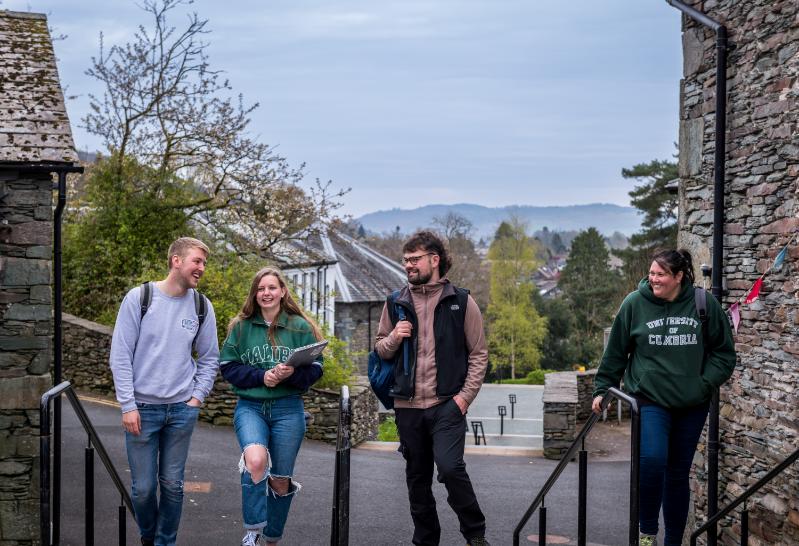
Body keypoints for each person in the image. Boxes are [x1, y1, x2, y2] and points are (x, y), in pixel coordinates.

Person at [591, 249, 736, 546]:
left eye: (660, 275)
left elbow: (724, 353)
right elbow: (616, 352)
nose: (653, 279)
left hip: (691, 404)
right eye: (651, 274)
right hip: (649, 399)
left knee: (677, 473)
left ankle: (673, 541)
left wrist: (704, 383)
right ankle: (647, 533)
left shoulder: (702, 303)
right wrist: (602, 389)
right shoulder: (635, 304)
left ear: (678, 277)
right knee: (653, 459)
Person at [375, 231, 490, 546]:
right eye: (406, 260)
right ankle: (426, 540)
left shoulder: (461, 302)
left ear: (434, 260)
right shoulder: (395, 302)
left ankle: (475, 534)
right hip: (407, 406)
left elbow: (479, 355)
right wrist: (395, 337)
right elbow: (380, 350)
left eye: (415, 259)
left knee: (451, 469)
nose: (409, 265)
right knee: (417, 480)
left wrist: (463, 399)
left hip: (446, 405)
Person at [109, 237, 220, 546]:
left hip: (181, 411)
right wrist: (128, 405)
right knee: (143, 489)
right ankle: (149, 537)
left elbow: (210, 357)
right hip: (142, 410)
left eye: (204, 264)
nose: (201, 268)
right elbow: (120, 354)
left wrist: (196, 398)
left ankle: (164, 543)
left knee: (172, 485)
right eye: (197, 261)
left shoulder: (201, 305)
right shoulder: (139, 297)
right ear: (176, 261)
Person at [219, 267, 324, 546]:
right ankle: (252, 531)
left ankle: (272, 538)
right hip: (251, 407)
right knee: (255, 462)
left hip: (288, 409)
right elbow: (227, 367)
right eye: (261, 288)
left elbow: (316, 369)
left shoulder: (300, 326)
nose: (266, 293)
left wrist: (292, 374)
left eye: (271, 288)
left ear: (282, 291)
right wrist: (261, 376)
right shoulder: (240, 327)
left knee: (279, 480)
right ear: (255, 293)